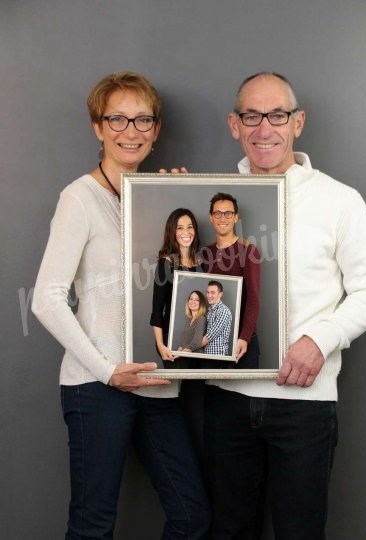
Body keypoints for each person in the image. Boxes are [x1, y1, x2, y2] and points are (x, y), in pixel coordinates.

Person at [204, 72, 366, 540]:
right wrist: (160, 197)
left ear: (298, 122)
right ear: (234, 124)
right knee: (228, 531)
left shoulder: (340, 200)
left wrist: (319, 340)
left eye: (277, 115)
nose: (264, 128)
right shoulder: (209, 199)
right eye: (251, 115)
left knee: (300, 533)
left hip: (304, 404)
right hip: (227, 398)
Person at [32, 71, 210, 540]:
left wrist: (182, 202)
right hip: (97, 386)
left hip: (155, 382)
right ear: (97, 127)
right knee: (92, 526)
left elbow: (181, 284)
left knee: (192, 518)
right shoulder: (79, 198)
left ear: (156, 131)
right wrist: (107, 370)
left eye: (142, 120)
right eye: (117, 119)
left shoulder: (161, 200)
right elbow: (47, 299)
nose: (130, 131)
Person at [202, 192, 261, 368]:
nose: (223, 218)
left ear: (236, 217)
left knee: (241, 395)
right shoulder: (206, 253)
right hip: (213, 341)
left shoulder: (248, 251)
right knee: (212, 395)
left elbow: (254, 298)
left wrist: (244, 337)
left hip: (241, 342)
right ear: (211, 218)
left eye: (228, 213)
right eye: (217, 213)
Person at [150, 208, 204, 367]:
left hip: (197, 340)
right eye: (179, 227)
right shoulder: (165, 264)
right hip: (172, 340)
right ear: (172, 232)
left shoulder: (202, 263)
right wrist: (160, 345)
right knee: (179, 389)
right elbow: (157, 310)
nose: (186, 232)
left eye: (190, 226)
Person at [201, 280, 233, 356]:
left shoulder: (223, 311)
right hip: (207, 355)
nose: (209, 295)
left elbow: (208, 337)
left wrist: (187, 350)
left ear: (220, 294)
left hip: (218, 357)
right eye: (208, 292)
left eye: (212, 292)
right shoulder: (209, 310)